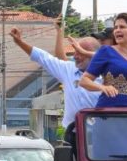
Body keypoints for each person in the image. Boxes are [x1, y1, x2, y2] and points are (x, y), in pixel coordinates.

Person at [76, 13, 127, 158]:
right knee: (105, 160)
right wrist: (102, 87)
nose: (117, 30)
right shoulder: (106, 51)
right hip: (108, 116)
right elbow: (84, 81)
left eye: (122, 27)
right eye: (115, 27)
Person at [9, 20, 101, 148]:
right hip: (72, 135)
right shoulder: (68, 70)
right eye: (75, 52)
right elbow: (43, 57)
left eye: (80, 52)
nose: (75, 56)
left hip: (100, 136)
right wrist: (19, 42)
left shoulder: (109, 76)